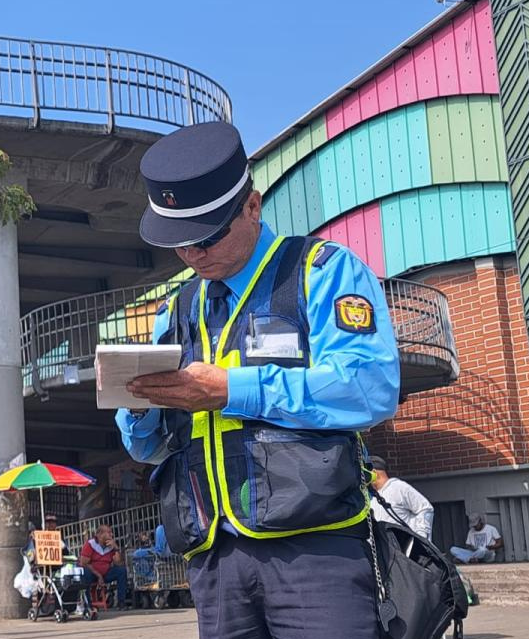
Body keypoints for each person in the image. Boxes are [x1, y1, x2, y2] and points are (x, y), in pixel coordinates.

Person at [115, 122, 400, 639]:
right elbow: (146, 450)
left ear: (252, 206)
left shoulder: (321, 270)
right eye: (178, 243)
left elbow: (369, 387)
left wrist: (232, 390)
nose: (192, 255)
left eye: (206, 236)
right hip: (213, 559)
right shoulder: (176, 310)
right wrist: (137, 408)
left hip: (314, 549)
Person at [369, 454, 434, 539]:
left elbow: (425, 508)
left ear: (374, 473)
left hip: (406, 548)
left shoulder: (399, 487)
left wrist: (420, 536)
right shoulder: (370, 496)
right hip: (385, 549)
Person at [80, 524, 129, 610]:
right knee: (85, 573)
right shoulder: (90, 544)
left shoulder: (110, 546)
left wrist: (116, 548)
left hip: (105, 573)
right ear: (100, 534)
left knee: (121, 571)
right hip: (92, 573)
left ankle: (121, 603)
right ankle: (88, 604)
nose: (111, 535)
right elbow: (84, 563)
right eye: (109, 533)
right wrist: (98, 575)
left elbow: (119, 563)